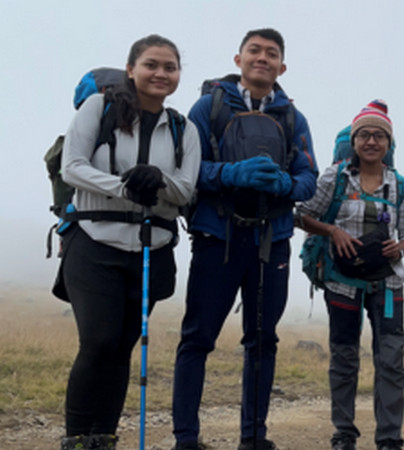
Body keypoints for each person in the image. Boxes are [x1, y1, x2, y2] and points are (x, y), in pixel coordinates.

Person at [171, 28, 317, 450]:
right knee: (198, 336)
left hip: (272, 242)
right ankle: (186, 440)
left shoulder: (294, 118)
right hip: (218, 236)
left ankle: (254, 438)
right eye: (254, 51)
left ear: (282, 67)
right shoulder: (208, 106)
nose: (262, 58)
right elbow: (188, 169)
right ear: (238, 59)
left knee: (262, 340)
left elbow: (309, 180)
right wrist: (230, 174)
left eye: (272, 54)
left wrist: (284, 183)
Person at [54, 34, 201, 450]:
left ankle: (104, 436)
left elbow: (187, 189)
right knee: (98, 340)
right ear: (131, 68)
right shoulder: (97, 109)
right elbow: (73, 168)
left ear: (177, 76)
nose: (161, 73)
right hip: (94, 243)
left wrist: (160, 181)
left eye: (169, 67)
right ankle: (78, 437)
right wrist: (125, 187)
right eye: (151, 64)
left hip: (151, 248)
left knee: (120, 346)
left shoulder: (183, 128)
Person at [296, 100, 404, 450]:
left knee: (391, 361)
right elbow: (301, 215)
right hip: (342, 282)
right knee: (345, 358)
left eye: (379, 136)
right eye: (364, 134)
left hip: (389, 283)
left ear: (388, 143)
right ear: (353, 140)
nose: (371, 141)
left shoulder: (400, 184)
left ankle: (390, 439)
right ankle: (344, 433)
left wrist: (402, 247)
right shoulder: (335, 177)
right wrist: (332, 231)